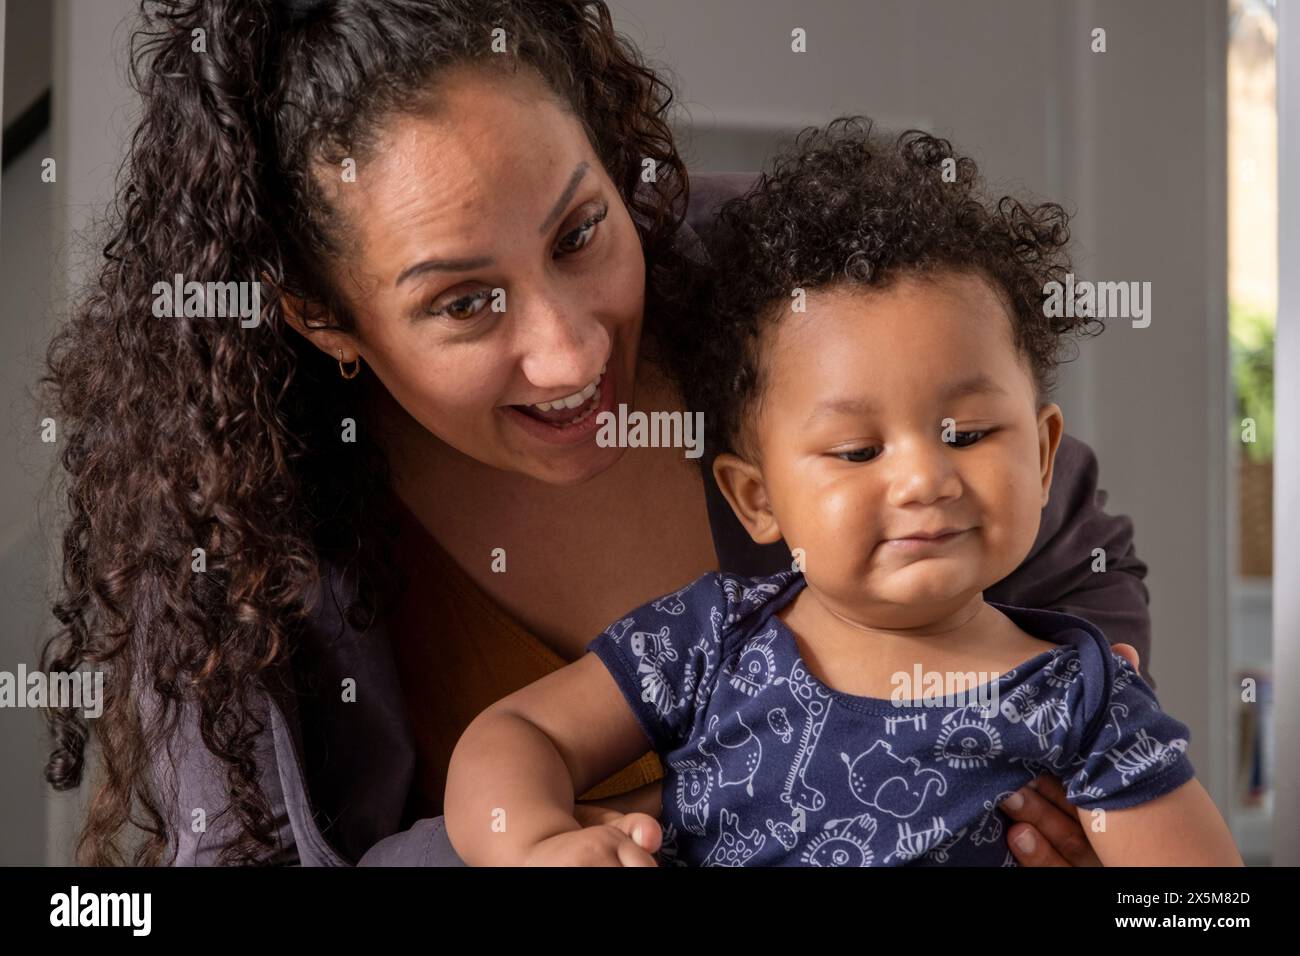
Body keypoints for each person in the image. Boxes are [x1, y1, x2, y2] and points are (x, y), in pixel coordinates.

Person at [41, 0, 1149, 867]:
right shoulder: (226, 505)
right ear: (325, 316)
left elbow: (1068, 533)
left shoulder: (781, 294)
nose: (573, 353)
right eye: (463, 302)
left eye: (580, 231)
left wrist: (1074, 793)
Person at [443, 122, 1242, 866]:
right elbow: (516, 736)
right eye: (858, 450)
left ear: (1041, 456)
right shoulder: (709, 641)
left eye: (967, 434)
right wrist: (535, 844)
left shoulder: (1086, 701)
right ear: (755, 498)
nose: (926, 479)